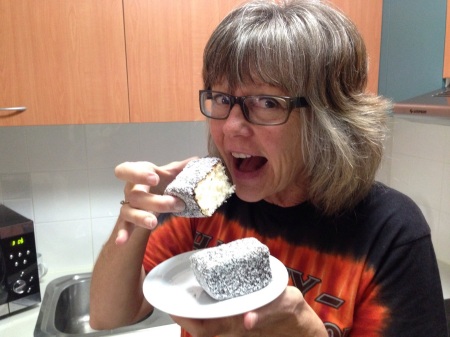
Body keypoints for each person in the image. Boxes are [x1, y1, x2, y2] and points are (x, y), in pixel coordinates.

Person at [89, 0, 448, 336]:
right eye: (222, 98)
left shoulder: (390, 232)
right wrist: (133, 219)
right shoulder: (209, 202)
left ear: (329, 118)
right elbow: (110, 317)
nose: (230, 126)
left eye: (266, 102)